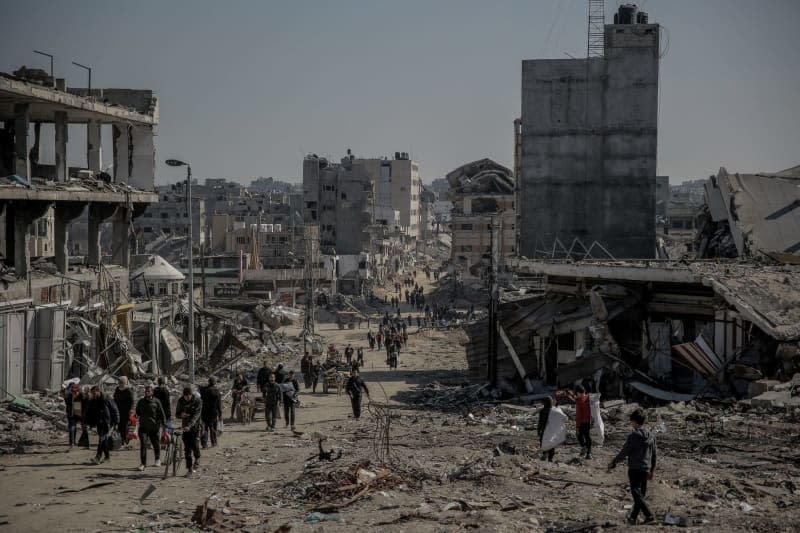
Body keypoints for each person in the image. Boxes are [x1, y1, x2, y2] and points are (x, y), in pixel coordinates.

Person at [609, 409, 657, 525]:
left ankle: (649, 515)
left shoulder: (633, 435)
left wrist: (614, 462)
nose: (631, 423)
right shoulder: (651, 435)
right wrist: (652, 470)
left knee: (636, 493)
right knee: (640, 495)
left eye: (632, 421)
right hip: (646, 469)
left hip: (634, 468)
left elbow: (625, 451)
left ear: (635, 422)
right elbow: (654, 454)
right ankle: (633, 518)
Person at [136, 382, 166, 471]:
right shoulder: (141, 401)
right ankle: (143, 464)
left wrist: (164, 425)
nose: (147, 392)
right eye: (146, 391)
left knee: (156, 444)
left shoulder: (156, 402)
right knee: (143, 445)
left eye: (149, 391)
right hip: (143, 427)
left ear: (152, 392)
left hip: (154, 427)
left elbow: (161, 413)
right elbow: (137, 412)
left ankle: (157, 459)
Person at [175, 386, 202, 476]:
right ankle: (189, 469)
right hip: (185, 428)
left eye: (188, 396)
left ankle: (197, 458)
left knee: (195, 446)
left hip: (195, 427)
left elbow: (196, 416)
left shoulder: (198, 401)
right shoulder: (181, 401)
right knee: (187, 450)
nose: (186, 398)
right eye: (185, 397)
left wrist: (189, 425)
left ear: (191, 395)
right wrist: (181, 415)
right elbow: (177, 414)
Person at [85, 386, 112, 464]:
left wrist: (116, 422)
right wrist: (90, 423)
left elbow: (114, 410)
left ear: (98, 391)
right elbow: (91, 412)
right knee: (104, 440)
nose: (93, 394)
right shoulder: (93, 400)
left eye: (94, 393)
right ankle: (107, 457)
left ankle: (98, 457)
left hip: (107, 422)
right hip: (99, 422)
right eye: (92, 393)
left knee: (101, 439)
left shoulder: (106, 399)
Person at [200, 377, 222, 448]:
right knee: (213, 428)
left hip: (204, 412)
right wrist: (220, 414)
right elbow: (219, 404)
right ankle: (214, 442)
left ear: (209, 382)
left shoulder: (203, 390)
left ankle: (204, 444)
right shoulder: (217, 391)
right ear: (215, 383)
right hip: (213, 412)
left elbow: (200, 400)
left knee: (204, 428)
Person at [64, 383, 87, 450]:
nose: (74, 394)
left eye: (75, 392)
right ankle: (72, 443)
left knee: (84, 427)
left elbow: (85, 405)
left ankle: (85, 441)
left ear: (78, 391)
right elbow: (67, 404)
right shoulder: (69, 396)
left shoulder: (82, 396)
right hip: (72, 412)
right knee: (72, 427)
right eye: (73, 392)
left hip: (79, 410)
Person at [113, 376, 135, 445]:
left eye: (121, 382)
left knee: (125, 426)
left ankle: (124, 439)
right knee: (119, 425)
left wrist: (131, 409)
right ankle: (121, 439)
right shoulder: (117, 389)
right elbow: (115, 398)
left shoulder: (128, 390)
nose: (120, 383)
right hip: (118, 410)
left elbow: (132, 401)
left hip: (126, 411)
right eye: (119, 382)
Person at [574, 385, 592, 459]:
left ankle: (584, 446)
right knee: (588, 437)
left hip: (582, 423)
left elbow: (578, 415)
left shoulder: (579, 401)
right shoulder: (589, 398)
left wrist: (577, 426)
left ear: (578, 392)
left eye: (576, 393)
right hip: (589, 422)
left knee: (579, 435)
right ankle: (589, 454)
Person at [537, 397, 556, 462]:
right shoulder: (554, 411)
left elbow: (540, 421)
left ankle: (545, 453)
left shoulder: (542, 411)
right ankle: (550, 458)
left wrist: (538, 430)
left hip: (544, 430)